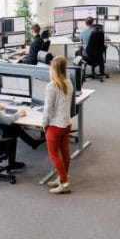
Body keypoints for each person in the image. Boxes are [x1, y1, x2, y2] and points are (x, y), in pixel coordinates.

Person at [0, 76, 44, 170]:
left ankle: (32, 143)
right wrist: (19, 114)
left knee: (12, 127)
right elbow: (7, 120)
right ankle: (14, 161)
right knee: (12, 128)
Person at [42, 56, 74, 195]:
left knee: (53, 154)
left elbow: (47, 109)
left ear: (53, 69)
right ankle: (62, 179)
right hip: (66, 123)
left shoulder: (52, 86)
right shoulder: (69, 82)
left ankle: (65, 184)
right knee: (65, 153)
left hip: (55, 126)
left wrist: (44, 124)